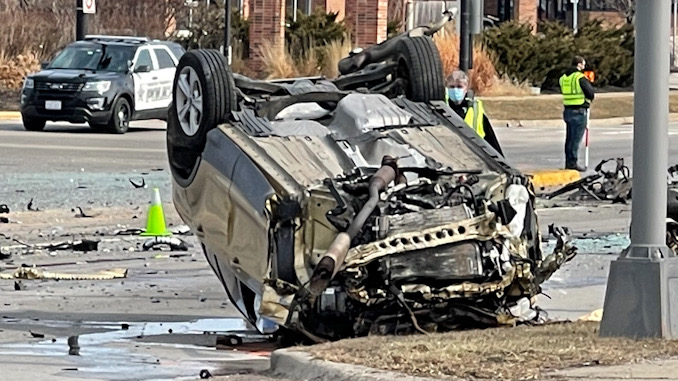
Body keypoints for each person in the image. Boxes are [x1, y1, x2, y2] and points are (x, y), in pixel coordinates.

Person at [445, 71, 504, 156]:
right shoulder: (442, 105)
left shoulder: (475, 108)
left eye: (459, 86)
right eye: (452, 87)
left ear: (466, 88)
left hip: (473, 154)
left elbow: (490, 138)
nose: (455, 90)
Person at [560, 55, 595, 171]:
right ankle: (572, 163)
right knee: (575, 139)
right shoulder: (579, 77)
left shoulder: (564, 78)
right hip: (579, 111)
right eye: (583, 64)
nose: (584, 67)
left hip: (568, 110)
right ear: (579, 64)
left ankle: (568, 161)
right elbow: (590, 93)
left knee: (569, 138)